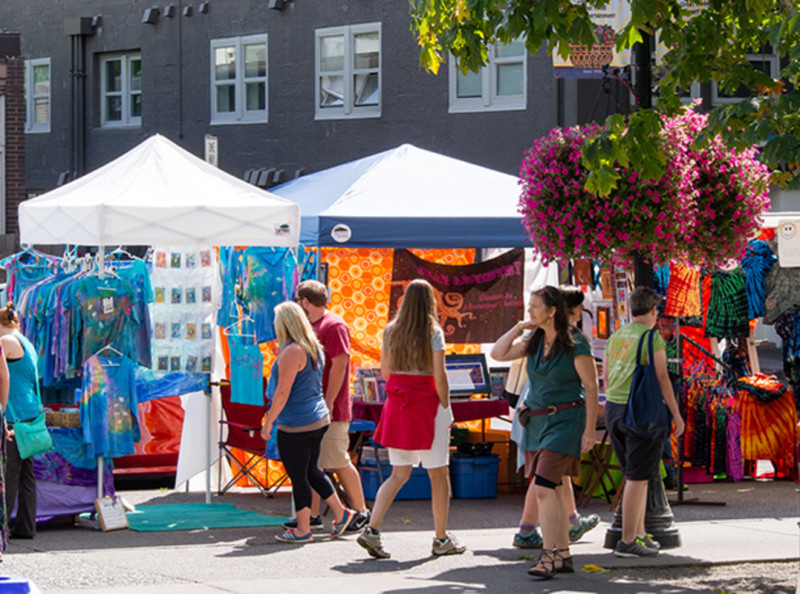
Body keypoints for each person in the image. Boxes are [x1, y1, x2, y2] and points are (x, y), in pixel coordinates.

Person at [491, 286, 598, 579]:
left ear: (552, 311)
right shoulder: (534, 340)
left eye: (534, 307)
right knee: (549, 488)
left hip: (565, 420)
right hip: (536, 423)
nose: (530, 312)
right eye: (529, 307)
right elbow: (497, 353)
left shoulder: (576, 342)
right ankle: (562, 554)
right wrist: (518, 327)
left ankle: (550, 554)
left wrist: (589, 430)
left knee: (544, 487)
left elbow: (591, 386)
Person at [357, 279, 465, 559]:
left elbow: (385, 371)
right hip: (428, 404)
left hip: (399, 403)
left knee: (398, 473)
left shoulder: (391, 330)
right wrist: (446, 405)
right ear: (431, 302)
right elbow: (439, 375)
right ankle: (441, 538)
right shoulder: (434, 331)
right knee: (438, 473)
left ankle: (373, 529)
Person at [261, 301, 356, 543]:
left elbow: (283, 392)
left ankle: (303, 529)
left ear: (285, 324)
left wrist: (269, 421)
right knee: (312, 471)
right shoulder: (314, 347)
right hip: (316, 418)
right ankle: (341, 512)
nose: (273, 325)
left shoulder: (293, 351)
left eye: (276, 321)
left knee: (299, 475)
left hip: (297, 422)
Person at [602, 287, 685, 558]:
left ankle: (638, 534)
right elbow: (662, 378)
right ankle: (628, 541)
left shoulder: (616, 336)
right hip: (640, 412)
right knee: (640, 477)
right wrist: (676, 414)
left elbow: (606, 377)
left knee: (634, 475)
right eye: (657, 311)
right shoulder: (652, 338)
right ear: (652, 311)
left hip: (615, 409)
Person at [289, 280, 369, 532]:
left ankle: (361, 512)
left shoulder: (333, 325)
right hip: (315, 406)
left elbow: (341, 364)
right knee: (313, 463)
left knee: (337, 458)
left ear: (305, 302)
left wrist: (330, 401)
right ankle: (312, 514)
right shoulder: (311, 326)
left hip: (329, 407)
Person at [0, 303, 42, 543]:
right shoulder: (26, 342)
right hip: (29, 415)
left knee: (8, 475)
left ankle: (2, 528)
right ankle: (26, 526)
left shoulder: (5, 342)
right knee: (26, 475)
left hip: (13, 418)